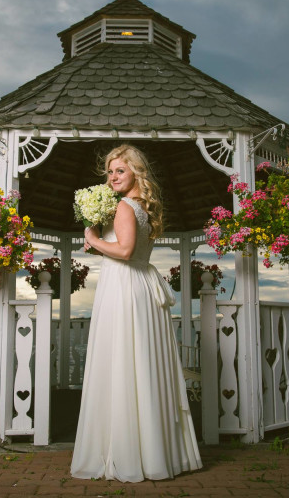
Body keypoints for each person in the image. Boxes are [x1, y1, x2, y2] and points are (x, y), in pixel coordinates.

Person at [70, 144, 203, 482]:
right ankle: (154, 452)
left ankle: (129, 454)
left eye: (120, 171)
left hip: (125, 287)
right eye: (110, 171)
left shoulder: (126, 207)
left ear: (135, 173)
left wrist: (92, 236)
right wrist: (101, 239)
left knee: (124, 362)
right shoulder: (141, 205)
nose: (113, 176)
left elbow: (125, 251)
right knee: (138, 363)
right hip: (140, 285)